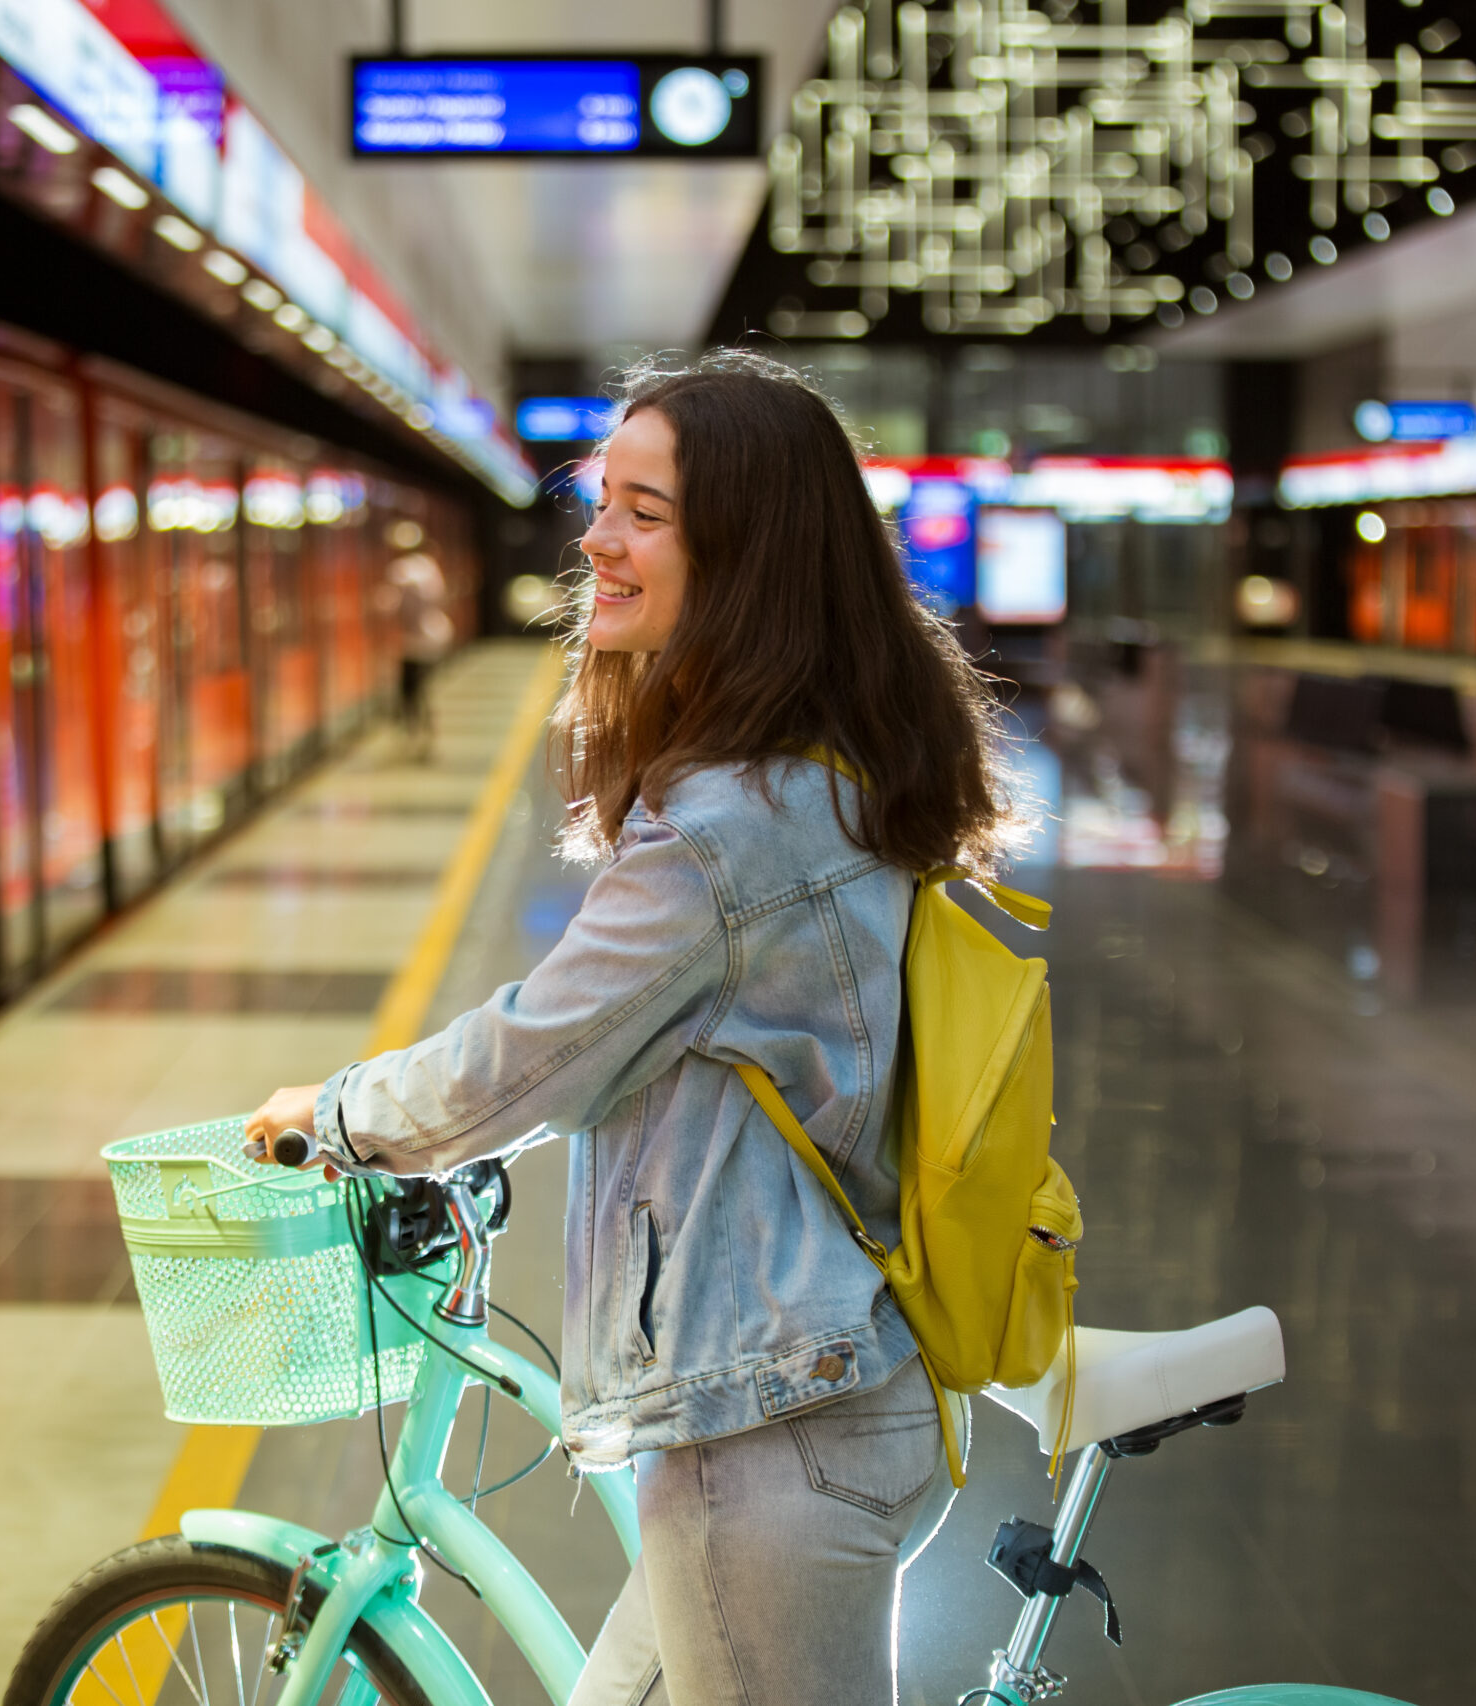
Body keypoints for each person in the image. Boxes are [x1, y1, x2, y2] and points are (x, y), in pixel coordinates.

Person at [244, 349, 1020, 1705]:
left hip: (767, 1437)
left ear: (750, 554)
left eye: (643, 510)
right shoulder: (824, 766)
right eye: (604, 499)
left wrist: (344, 1114)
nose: (594, 535)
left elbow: (537, 1046)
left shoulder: (728, 824)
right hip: (822, 1388)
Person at [389, 546, 453, 758]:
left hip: (413, 644)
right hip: (435, 637)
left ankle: (416, 733)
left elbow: (400, 610)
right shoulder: (428, 567)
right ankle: (425, 734)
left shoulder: (401, 571)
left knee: (412, 691)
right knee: (424, 689)